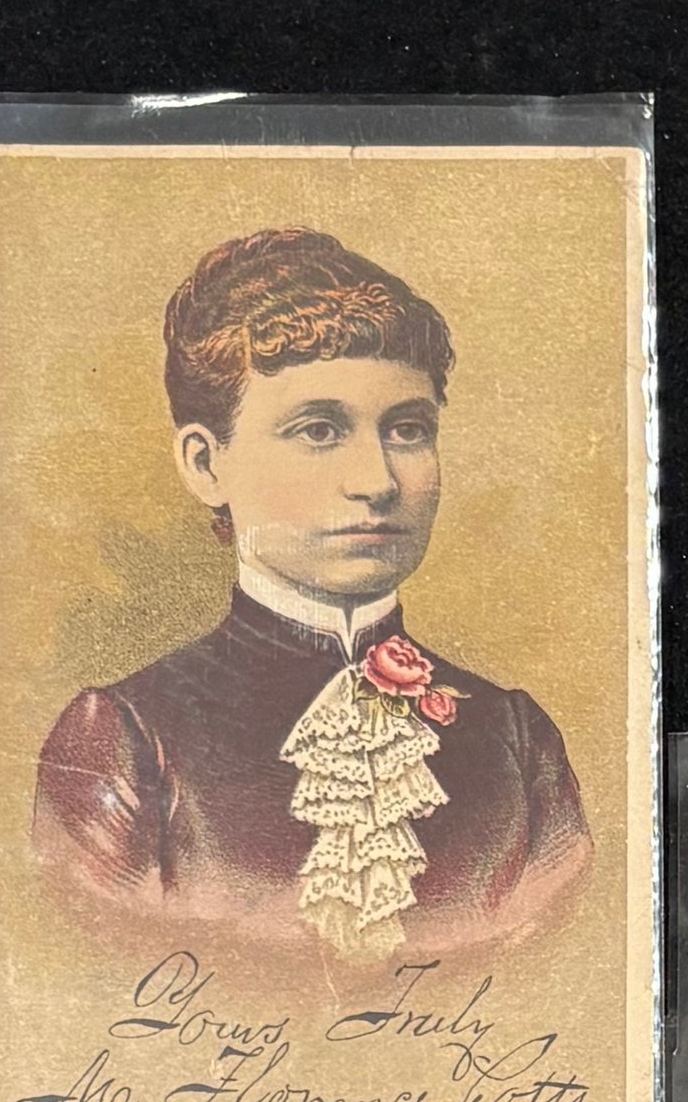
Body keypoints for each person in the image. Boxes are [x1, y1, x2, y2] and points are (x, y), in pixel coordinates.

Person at [33, 228, 590, 959]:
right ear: (205, 465)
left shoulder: (516, 739)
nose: (377, 481)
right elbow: (92, 981)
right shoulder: (124, 737)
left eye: (408, 430)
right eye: (320, 430)